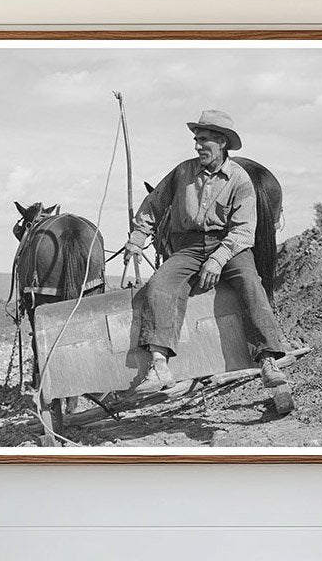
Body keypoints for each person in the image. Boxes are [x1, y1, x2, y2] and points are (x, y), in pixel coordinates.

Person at [124, 109, 289, 393]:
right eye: (196, 140)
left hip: (229, 246)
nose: (198, 145)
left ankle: (267, 359)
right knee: (159, 286)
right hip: (188, 248)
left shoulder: (239, 179)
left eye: (204, 140)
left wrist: (217, 260)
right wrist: (138, 238)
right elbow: (155, 203)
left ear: (222, 142)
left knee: (250, 282)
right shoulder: (183, 172)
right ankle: (160, 366)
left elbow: (243, 230)